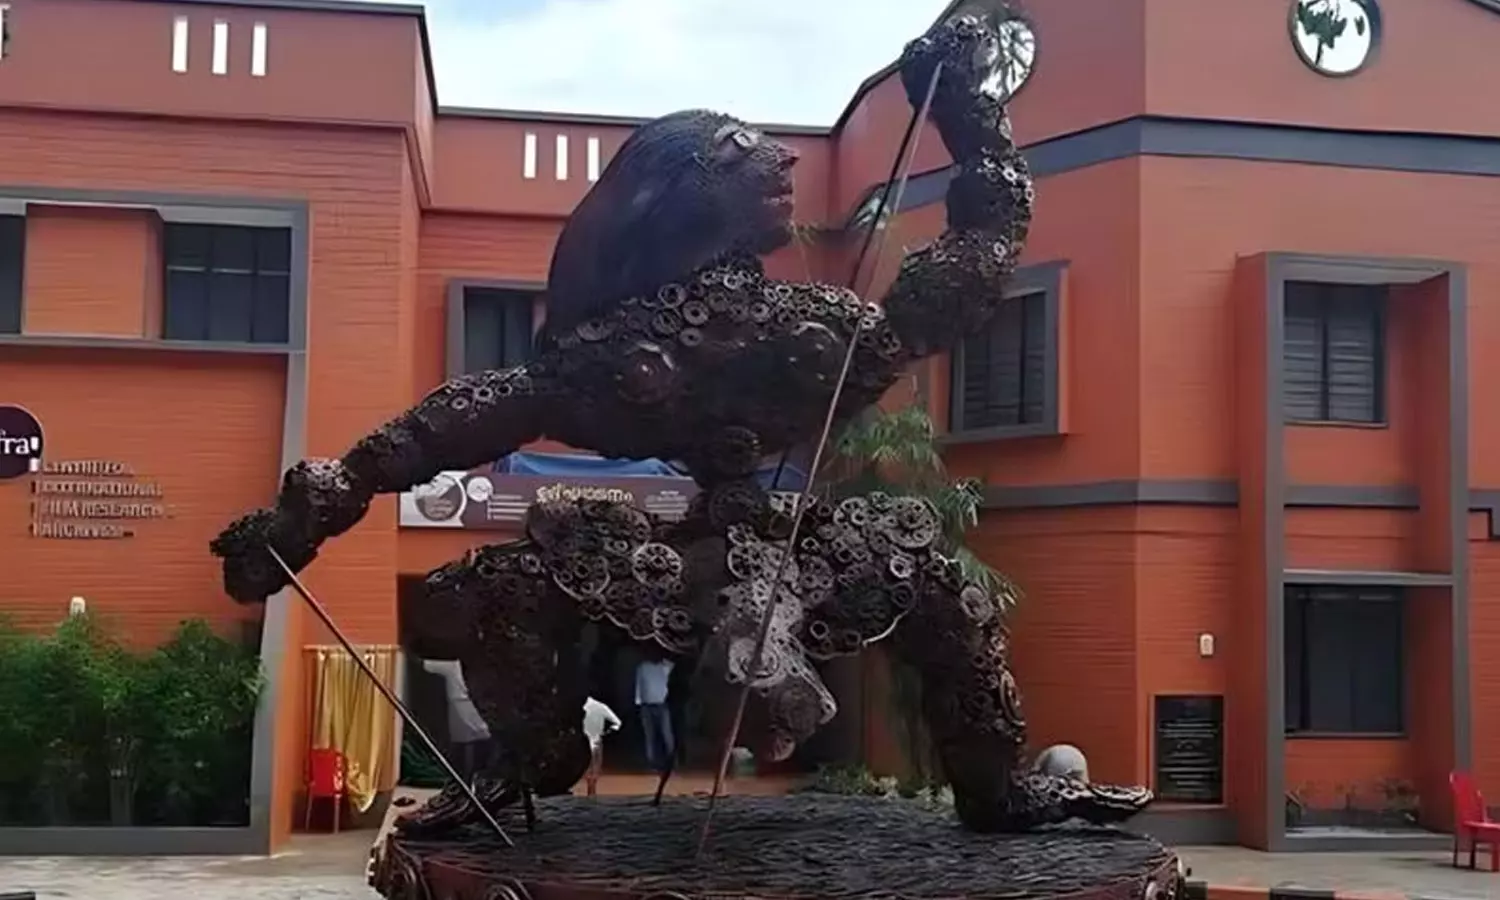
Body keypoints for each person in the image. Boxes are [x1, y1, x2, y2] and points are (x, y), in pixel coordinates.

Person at [421, 658, 491, 782]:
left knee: (463, 759)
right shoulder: (485, 666)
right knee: (481, 758)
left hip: (461, 724)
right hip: (483, 724)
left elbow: (426, 664)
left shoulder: (453, 665)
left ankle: (464, 781)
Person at [634, 650, 675, 776]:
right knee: (649, 736)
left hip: (662, 705)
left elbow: (672, 666)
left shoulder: (665, 667)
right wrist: (638, 702)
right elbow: (639, 684)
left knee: (666, 735)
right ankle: (651, 764)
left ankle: (670, 764)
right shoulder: (642, 667)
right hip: (646, 706)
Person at [580, 695, 622, 797]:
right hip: (596, 740)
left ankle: (590, 789)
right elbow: (617, 723)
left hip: (584, 741)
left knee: (588, 766)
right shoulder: (601, 707)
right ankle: (592, 790)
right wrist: (607, 732)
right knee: (595, 767)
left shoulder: (578, 708)